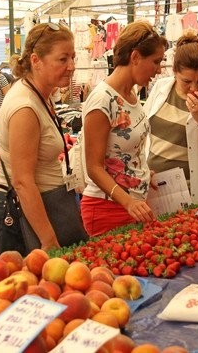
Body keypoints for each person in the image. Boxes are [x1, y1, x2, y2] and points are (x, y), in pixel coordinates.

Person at [0, 22, 87, 252]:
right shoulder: (25, 108)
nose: (71, 66)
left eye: (73, 57)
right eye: (63, 59)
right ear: (35, 61)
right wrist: (48, 240)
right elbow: (22, 182)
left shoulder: (41, 94)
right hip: (26, 213)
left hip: (48, 204)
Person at [80, 20, 166, 237]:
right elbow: (94, 167)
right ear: (135, 57)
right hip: (107, 209)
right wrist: (129, 201)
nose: (158, 71)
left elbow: (123, 152)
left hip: (134, 206)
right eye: (155, 62)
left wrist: (142, 173)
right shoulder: (102, 101)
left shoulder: (130, 94)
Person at [144, 32, 198, 203]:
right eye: (186, 81)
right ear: (174, 71)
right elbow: (144, 132)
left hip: (190, 191)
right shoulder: (161, 88)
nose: (193, 88)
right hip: (153, 186)